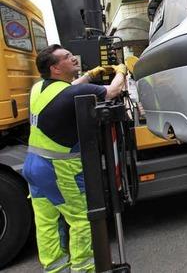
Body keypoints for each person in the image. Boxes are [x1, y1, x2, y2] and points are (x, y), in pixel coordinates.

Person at [22, 44, 126, 273]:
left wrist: (90, 75)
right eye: (67, 57)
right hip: (58, 169)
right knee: (80, 219)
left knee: (46, 223)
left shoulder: (39, 87)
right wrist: (122, 70)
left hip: (33, 165)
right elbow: (112, 91)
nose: (74, 59)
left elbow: (67, 90)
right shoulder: (71, 93)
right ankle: (83, 269)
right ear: (55, 68)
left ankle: (55, 270)